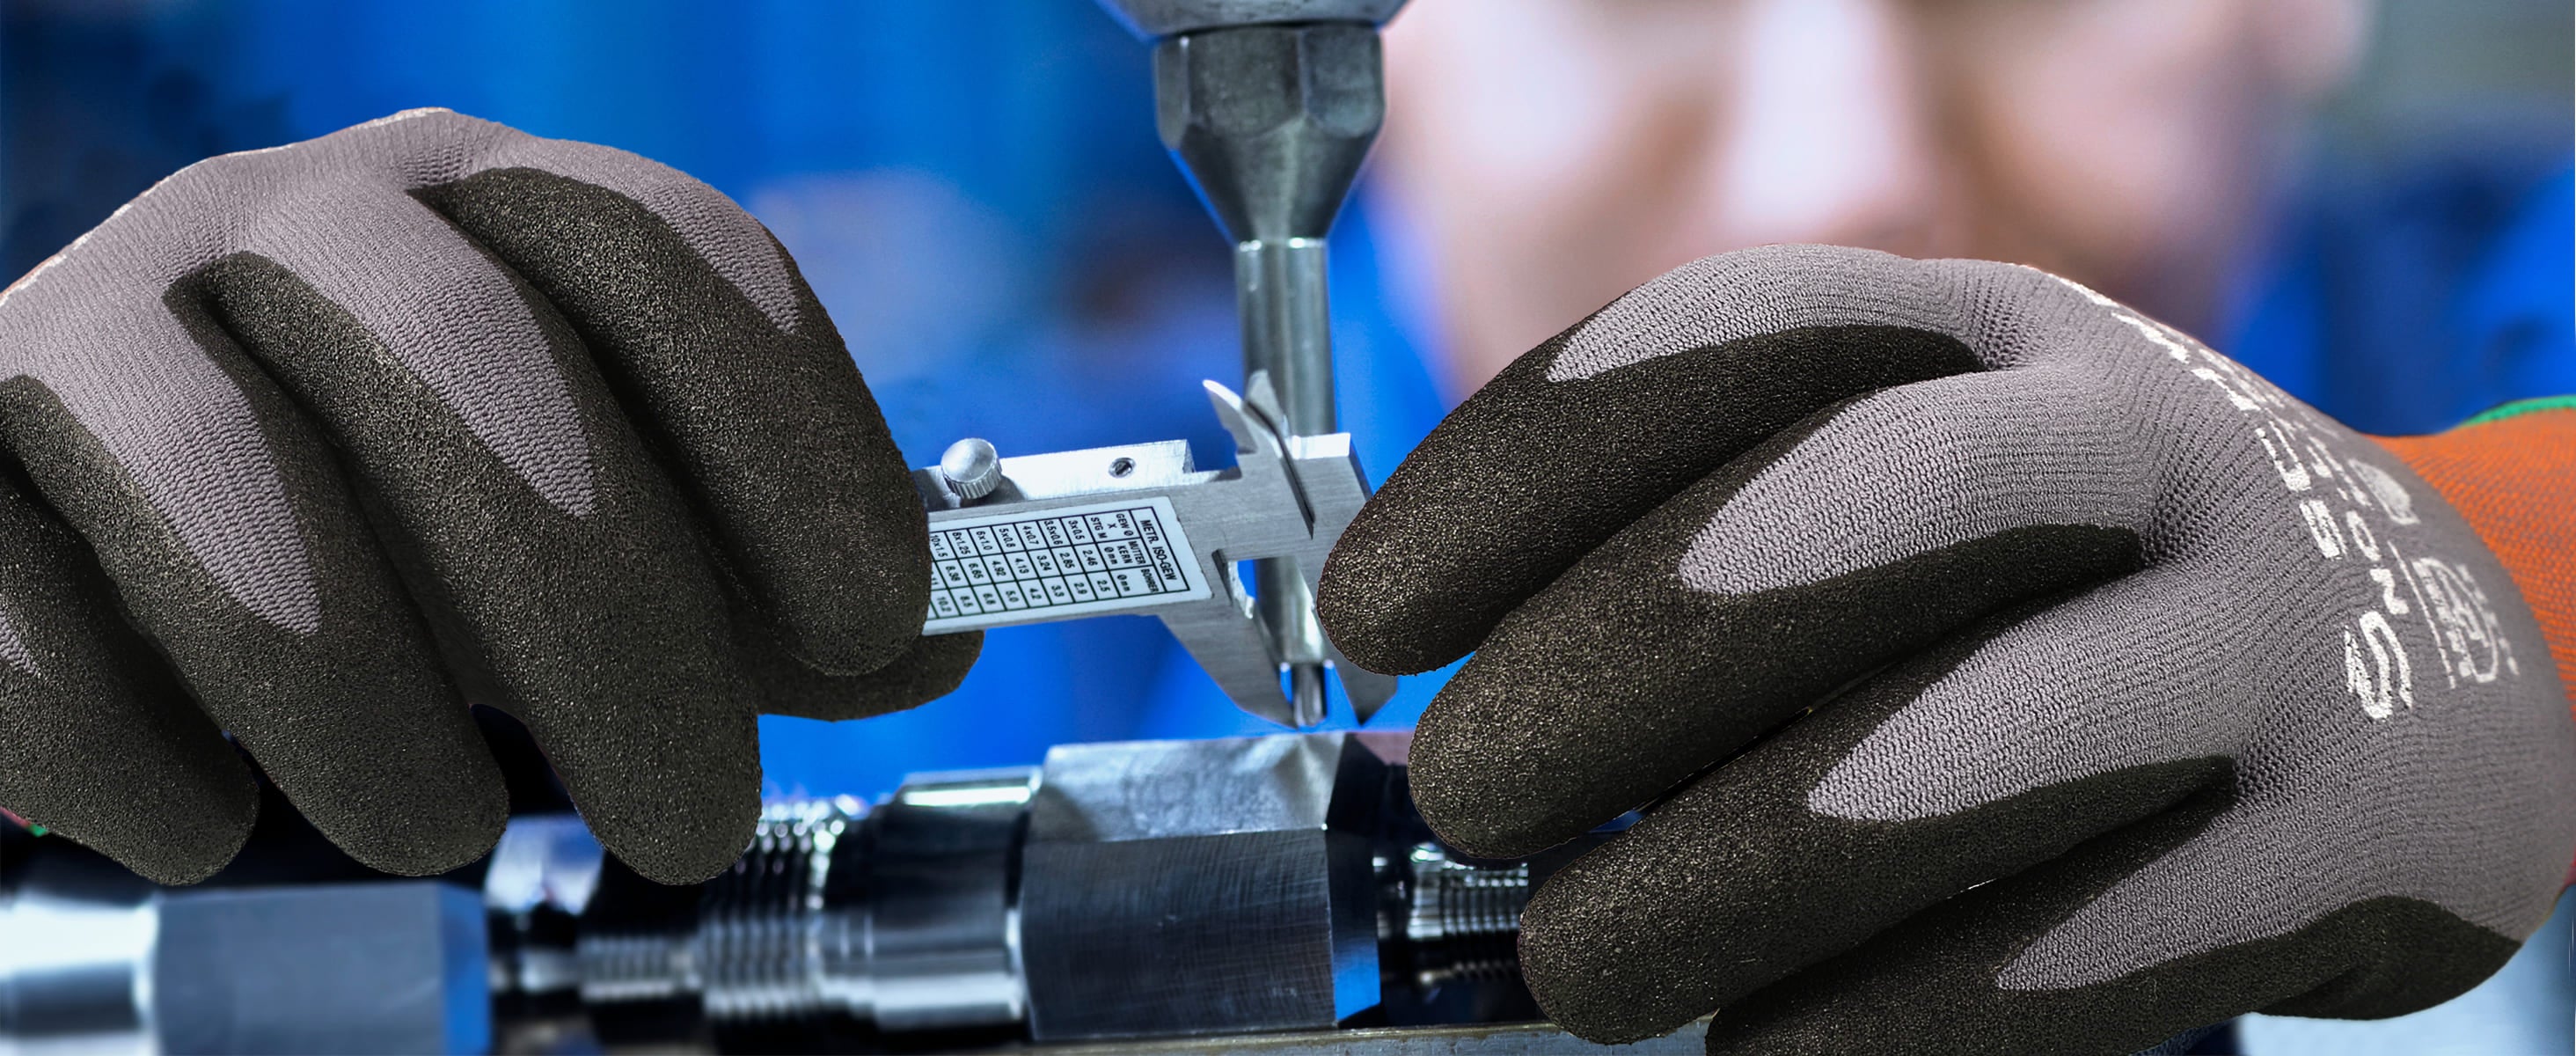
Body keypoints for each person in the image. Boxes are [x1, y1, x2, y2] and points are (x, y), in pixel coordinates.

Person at [0, 3, 2567, 1052]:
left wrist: (2480, 575)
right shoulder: (898, 582)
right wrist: (118, 651)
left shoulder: (2506, 316)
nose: (1842, 163)